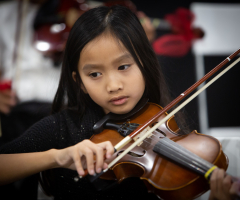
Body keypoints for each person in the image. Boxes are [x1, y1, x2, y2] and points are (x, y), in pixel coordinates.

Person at [0, 4, 228, 200]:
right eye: (95, 75)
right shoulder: (60, 127)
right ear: (79, 82)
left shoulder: (162, 123)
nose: (113, 85)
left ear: (144, 64)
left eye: (123, 67)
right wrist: (58, 156)